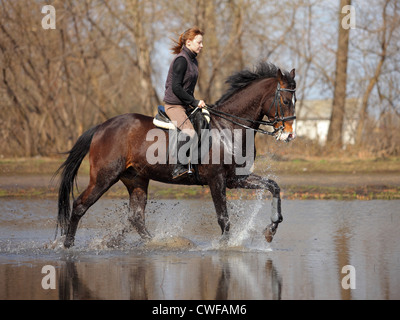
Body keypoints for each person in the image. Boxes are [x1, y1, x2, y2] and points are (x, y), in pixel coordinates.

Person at [163, 27, 206, 179]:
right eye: (199, 42)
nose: (201, 45)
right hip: (173, 106)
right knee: (190, 133)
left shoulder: (193, 60)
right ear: (189, 42)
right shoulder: (181, 60)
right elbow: (176, 87)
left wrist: (194, 103)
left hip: (185, 104)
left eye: (202, 42)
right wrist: (194, 102)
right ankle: (179, 167)